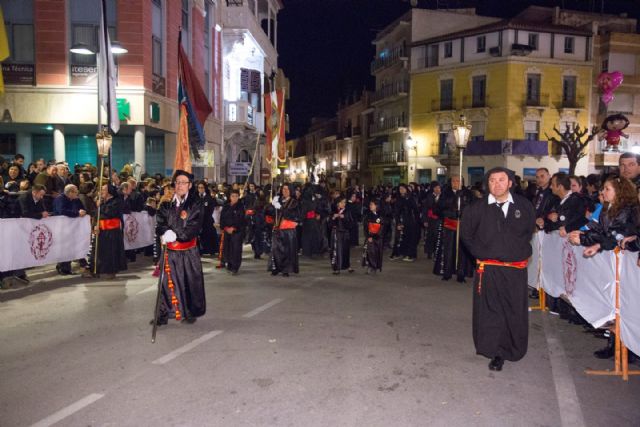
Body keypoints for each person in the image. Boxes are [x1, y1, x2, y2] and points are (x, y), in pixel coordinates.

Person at [460, 167, 536, 371]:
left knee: (513, 310)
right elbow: (466, 235)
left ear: (511, 183)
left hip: (515, 270)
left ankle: (513, 347)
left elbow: (528, 231)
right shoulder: (476, 208)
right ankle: (496, 352)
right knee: (491, 311)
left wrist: (516, 250)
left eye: (502, 180)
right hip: (489, 270)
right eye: (492, 180)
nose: (497, 184)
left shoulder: (524, 205)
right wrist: (481, 252)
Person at [154, 170, 205, 325]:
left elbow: (194, 226)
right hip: (170, 251)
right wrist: (164, 231)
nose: (179, 185)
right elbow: (160, 223)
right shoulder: (166, 204)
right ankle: (162, 315)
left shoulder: (196, 204)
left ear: (189, 185)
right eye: (177, 182)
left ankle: (189, 312)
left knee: (189, 282)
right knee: (166, 283)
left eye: (183, 182)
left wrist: (176, 235)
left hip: (188, 251)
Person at [433, 176, 474, 281]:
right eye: (453, 181)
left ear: (462, 182)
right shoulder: (445, 193)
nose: (455, 183)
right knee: (448, 249)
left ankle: (461, 273)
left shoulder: (468, 193)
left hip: (463, 225)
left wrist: (463, 212)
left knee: (462, 250)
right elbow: (438, 209)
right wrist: (451, 212)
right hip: (449, 225)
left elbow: (473, 208)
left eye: (458, 181)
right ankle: (447, 272)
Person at [84, 184, 127, 279]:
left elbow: (109, 213)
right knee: (98, 251)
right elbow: (96, 215)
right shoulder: (102, 202)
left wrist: (100, 206)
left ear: (109, 192)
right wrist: (95, 225)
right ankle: (95, 270)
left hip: (112, 231)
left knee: (110, 252)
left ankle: (111, 271)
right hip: (101, 230)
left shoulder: (117, 201)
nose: (101, 192)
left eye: (103, 190)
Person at [53, 184, 87, 275]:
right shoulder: (60, 199)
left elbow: (82, 208)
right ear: (70, 192)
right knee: (64, 247)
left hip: (74, 227)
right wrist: (77, 213)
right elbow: (62, 211)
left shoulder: (76, 199)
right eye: (76, 192)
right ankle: (62, 267)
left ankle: (67, 267)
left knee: (72, 246)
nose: (77, 194)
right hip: (62, 228)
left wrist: (83, 212)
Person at [269, 184, 300, 277]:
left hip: (288, 229)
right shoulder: (279, 200)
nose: (285, 191)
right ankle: (276, 268)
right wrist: (272, 204)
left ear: (291, 190)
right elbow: (270, 213)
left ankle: (286, 269)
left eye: (287, 189)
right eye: (283, 189)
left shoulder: (294, 202)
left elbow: (290, 214)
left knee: (287, 250)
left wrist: (280, 207)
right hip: (277, 228)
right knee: (275, 249)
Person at [390, 184, 419, 262]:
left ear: (406, 189)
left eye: (403, 188)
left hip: (410, 221)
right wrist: (398, 222)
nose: (401, 190)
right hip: (401, 220)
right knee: (399, 237)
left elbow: (415, 210)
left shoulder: (411, 198)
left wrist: (416, 221)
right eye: (400, 189)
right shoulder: (399, 199)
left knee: (410, 237)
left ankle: (410, 255)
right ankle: (399, 253)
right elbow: (397, 211)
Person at [220, 189, 246, 274]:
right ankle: (229, 264)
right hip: (227, 230)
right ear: (229, 197)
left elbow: (241, 219)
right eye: (232, 196)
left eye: (236, 196)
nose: (234, 198)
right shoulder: (226, 206)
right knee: (228, 248)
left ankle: (235, 267)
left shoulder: (241, 207)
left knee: (236, 249)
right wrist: (225, 227)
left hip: (237, 231)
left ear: (238, 197)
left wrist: (234, 228)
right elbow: (222, 218)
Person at [330, 196, 354, 274]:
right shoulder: (334, 211)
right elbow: (329, 223)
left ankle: (347, 265)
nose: (344, 204)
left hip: (345, 233)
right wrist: (333, 218)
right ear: (338, 203)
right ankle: (337, 267)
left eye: (345, 202)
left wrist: (344, 218)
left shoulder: (347, 211)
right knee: (337, 251)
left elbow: (351, 224)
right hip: (336, 233)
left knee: (346, 250)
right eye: (342, 202)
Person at [362, 199, 384, 274]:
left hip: (378, 237)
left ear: (376, 205)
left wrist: (376, 236)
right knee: (370, 252)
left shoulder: (380, 216)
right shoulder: (367, 216)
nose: (370, 206)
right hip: (370, 237)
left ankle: (376, 266)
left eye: (372, 204)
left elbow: (382, 227)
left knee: (377, 252)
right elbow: (365, 228)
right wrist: (368, 236)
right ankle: (370, 266)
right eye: (370, 204)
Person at [422, 181, 441, 259]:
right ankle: (430, 252)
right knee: (430, 236)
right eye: (436, 187)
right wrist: (425, 220)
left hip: (439, 219)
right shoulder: (429, 197)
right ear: (433, 189)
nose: (437, 189)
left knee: (438, 236)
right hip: (430, 220)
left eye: (439, 187)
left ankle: (436, 253)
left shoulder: (442, 196)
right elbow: (425, 209)